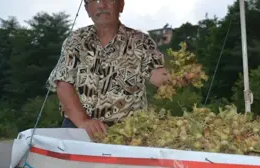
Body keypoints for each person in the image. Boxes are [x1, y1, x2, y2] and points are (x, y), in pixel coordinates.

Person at [46, 0, 171, 139]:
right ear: (87, 8)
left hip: (129, 132)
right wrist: (84, 122)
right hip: (78, 128)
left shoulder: (141, 41)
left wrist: (176, 77)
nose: (102, 4)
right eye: (95, 0)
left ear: (121, 5)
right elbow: (63, 84)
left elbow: (157, 74)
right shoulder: (75, 40)